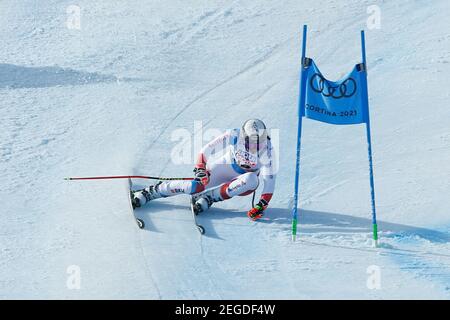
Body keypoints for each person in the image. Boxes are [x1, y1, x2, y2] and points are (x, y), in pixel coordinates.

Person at [131, 119, 276, 221]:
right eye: (251, 141)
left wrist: (262, 204)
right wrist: (201, 168)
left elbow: (269, 180)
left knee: (252, 179)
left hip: (244, 183)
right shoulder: (234, 135)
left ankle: (210, 197)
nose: (254, 145)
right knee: (194, 186)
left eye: (259, 141)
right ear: (244, 136)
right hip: (225, 166)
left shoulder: (268, 150)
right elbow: (206, 150)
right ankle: (150, 192)